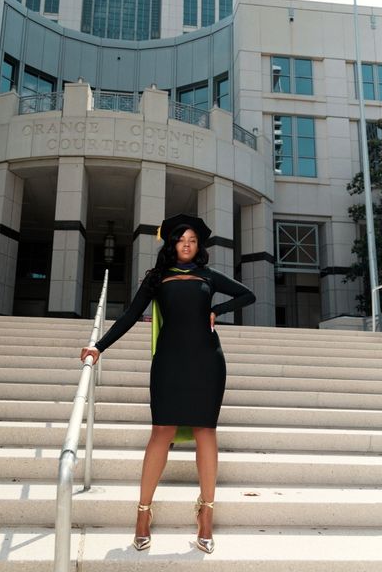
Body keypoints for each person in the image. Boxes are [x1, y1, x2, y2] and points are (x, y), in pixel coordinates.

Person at [80, 213, 256, 554]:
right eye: (181, 240)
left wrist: (217, 309)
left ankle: (206, 514)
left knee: (206, 431)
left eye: (192, 241)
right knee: (161, 431)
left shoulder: (207, 275)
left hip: (207, 362)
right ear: (171, 244)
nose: (187, 245)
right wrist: (99, 346)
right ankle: (143, 513)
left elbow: (247, 295)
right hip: (169, 363)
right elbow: (131, 315)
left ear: (198, 245)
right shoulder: (157, 278)